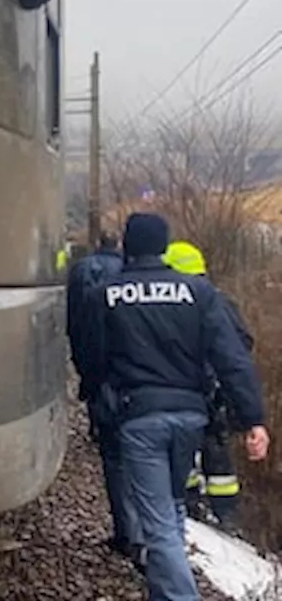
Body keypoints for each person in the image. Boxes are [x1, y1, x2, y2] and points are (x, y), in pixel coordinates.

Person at [84, 213, 269, 601]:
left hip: (140, 417)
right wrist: (252, 419)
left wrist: (103, 408)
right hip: (191, 417)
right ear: (164, 246)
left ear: (127, 247)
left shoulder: (106, 294)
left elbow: (93, 360)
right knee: (171, 506)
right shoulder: (198, 294)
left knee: (158, 524)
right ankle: (163, 591)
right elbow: (231, 359)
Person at [164, 240, 255, 533]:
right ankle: (226, 517)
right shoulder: (220, 300)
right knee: (218, 453)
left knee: (188, 449)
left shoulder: (178, 304)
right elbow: (243, 343)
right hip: (217, 390)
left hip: (192, 389)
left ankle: (192, 503)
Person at [66, 233, 137, 561]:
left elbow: (72, 309)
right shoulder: (124, 271)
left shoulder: (81, 268)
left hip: (87, 331)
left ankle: (129, 534)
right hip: (121, 353)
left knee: (99, 387)